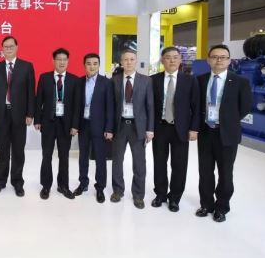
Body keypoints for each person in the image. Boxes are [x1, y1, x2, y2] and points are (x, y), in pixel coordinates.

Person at [196, 44, 252, 223]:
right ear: (208, 60)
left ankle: (221, 207)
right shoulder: (200, 80)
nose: (218, 60)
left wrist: (227, 120)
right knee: (205, 171)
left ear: (229, 60)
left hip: (227, 133)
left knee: (225, 173)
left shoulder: (240, 82)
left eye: (223, 57)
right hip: (206, 132)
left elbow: (245, 107)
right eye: (214, 57)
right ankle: (206, 204)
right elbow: (196, 106)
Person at [150, 47, 200, 212]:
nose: (171, 60)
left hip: (181, 129)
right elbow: (149, 106)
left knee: (179, 165)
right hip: (160, 127)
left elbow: (196, 106)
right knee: (159, 162)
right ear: (162, 60)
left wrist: (194, 128)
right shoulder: (153, 80)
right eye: (168, 57)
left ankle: (175, 198)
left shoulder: (190, 80)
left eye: (175, 57)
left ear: (180, 60)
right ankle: (160, 194)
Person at [0, 36, 35, 197]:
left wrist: (30, 113)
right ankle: (0, 181)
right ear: (2, 49)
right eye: (5, 47)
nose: (8, 49)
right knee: (2, 150)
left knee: (18, 151)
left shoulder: (27, 66)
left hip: (20, 115)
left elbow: (31, 92)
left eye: (11, 46)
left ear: (16, 47)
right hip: (2, 115)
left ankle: (17, 182)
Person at [109, 49, 154, 209]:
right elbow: (111, 107)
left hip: (138, 127)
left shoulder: (146, 80)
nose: (128, 62)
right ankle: (117, 191)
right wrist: (109, 128)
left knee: (139, 163)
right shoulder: (114, 80)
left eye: (132, 59)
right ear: (121, 62)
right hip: (119, 126)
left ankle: (138, 195)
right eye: (125, 59)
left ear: (136, 61)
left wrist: (150, 129)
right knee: (117, 161)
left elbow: (150, 106)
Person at [35, 48, 80, 200]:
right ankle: (46, 186)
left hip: (66, 125)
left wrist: (75, 125)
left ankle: (63, 186)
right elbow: (38, 101)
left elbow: (77, 105)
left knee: (64, 156)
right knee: (46, 155)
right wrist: (37, 120)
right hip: (48, 123)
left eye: (64, 59)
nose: (61, 62)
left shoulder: (74, 80)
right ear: (53, 61)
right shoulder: (44, 78)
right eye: (59, 59)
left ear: (68, 61)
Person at [73, 53, 114, 203]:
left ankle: (100, 187)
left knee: (100, 158)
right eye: (89, 63)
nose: (92, 66)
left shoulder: (106, 83)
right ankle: (83, 183)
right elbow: (76, 106)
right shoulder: (79, 82)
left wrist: (109, 128)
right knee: (83, 156)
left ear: (99, 65)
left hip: (100, 127)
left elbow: (110, 107)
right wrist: (74, 125)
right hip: (83, 125)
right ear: (84, 65)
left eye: (95, 63)